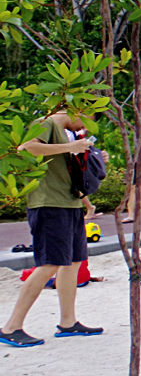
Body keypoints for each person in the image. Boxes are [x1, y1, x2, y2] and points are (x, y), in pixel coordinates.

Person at [1, 107, 104, 347]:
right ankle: (11, 326)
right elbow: (26, 147)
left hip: (69, 203)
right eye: (86, 120)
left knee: (74, 260)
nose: (83, 128)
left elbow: (67, 172)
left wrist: (86, 201)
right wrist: (70, 148)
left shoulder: (68, 134)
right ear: (77, 109)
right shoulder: (45, 123)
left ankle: (68, 322)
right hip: (48, 204)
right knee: (50, 264)